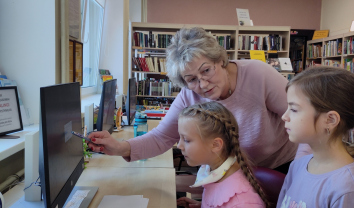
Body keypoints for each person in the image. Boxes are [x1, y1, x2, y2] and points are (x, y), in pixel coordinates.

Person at [88, 27, 297, 173]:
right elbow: (162, 137)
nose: (203, 84)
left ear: (220, 60)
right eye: (192, 79)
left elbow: (302, 120)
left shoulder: (259, 74)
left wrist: (306, 171)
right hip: (234, 172)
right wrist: (119, 147)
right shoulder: (189, 95)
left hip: (283, 166)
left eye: (206, 70)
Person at [277, 67, 354, 208]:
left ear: (330, 120)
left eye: (294, 109)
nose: (284, 116)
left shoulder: (346, 188)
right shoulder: (297, 166)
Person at [176, 101, 267, 208]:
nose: (179, 146)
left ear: (215, 145)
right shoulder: (214, 167)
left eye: (186, 140)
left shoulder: (242, 202)